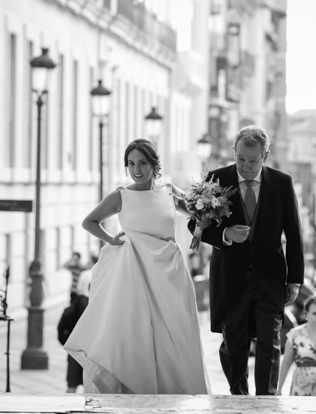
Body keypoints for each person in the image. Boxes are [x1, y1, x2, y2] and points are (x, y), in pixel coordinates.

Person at [64, 139, 210, 395]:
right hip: (133, 271)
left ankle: (172, 389)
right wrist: (111, 240)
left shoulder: (169, 192)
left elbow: (200, 213)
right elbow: (90, 221)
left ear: (155, 165)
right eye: (131, 164)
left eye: (142, 163)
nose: (137, 170)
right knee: (137, 331)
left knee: (174, 333)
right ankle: (135, 388)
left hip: (169, 272)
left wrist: (205, 214)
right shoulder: (122, 195)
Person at [189, 125, 305, 396]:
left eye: (253, 161)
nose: (246, 166)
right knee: (234, 343)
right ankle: (237, 397)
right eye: (241, 159)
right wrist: (225, 234)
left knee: (269, 342)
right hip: (230, 278)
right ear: (234, 152)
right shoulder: (217, 179)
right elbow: (195, 225)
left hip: (270, 277)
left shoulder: (282, 183)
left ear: (265, 155)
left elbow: (295, 234)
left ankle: (265, 400)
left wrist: (295, 280)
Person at [277, 295, 316, 396]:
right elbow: (286, 362)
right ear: (306, 314)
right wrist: (279, 388)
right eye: (314, 313)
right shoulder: (294, 334)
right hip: (301, 384)